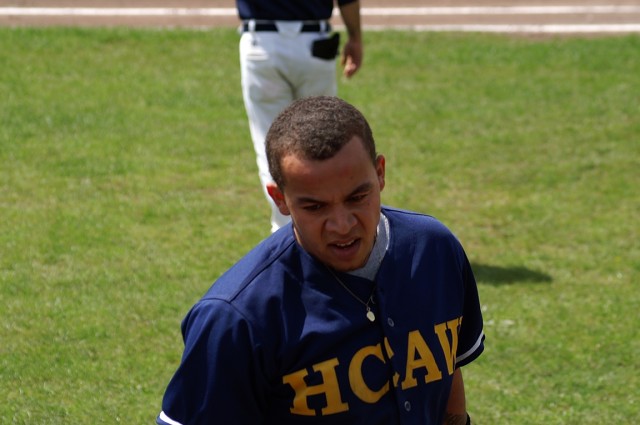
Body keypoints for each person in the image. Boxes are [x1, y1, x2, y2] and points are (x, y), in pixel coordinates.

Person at [157, 96, 485, 425]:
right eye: (315, 207)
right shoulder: (235, 318)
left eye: (357, 197)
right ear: (280, 199)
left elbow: (449, 370)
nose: (342, 225)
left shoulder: (434, 251)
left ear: (380, 173)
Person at [237, 0, 363, 232]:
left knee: (270, 148)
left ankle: (287, 233)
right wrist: (355, 36)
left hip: (261, 45)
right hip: (314, 45)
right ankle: (326, 227)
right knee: (323, 145)